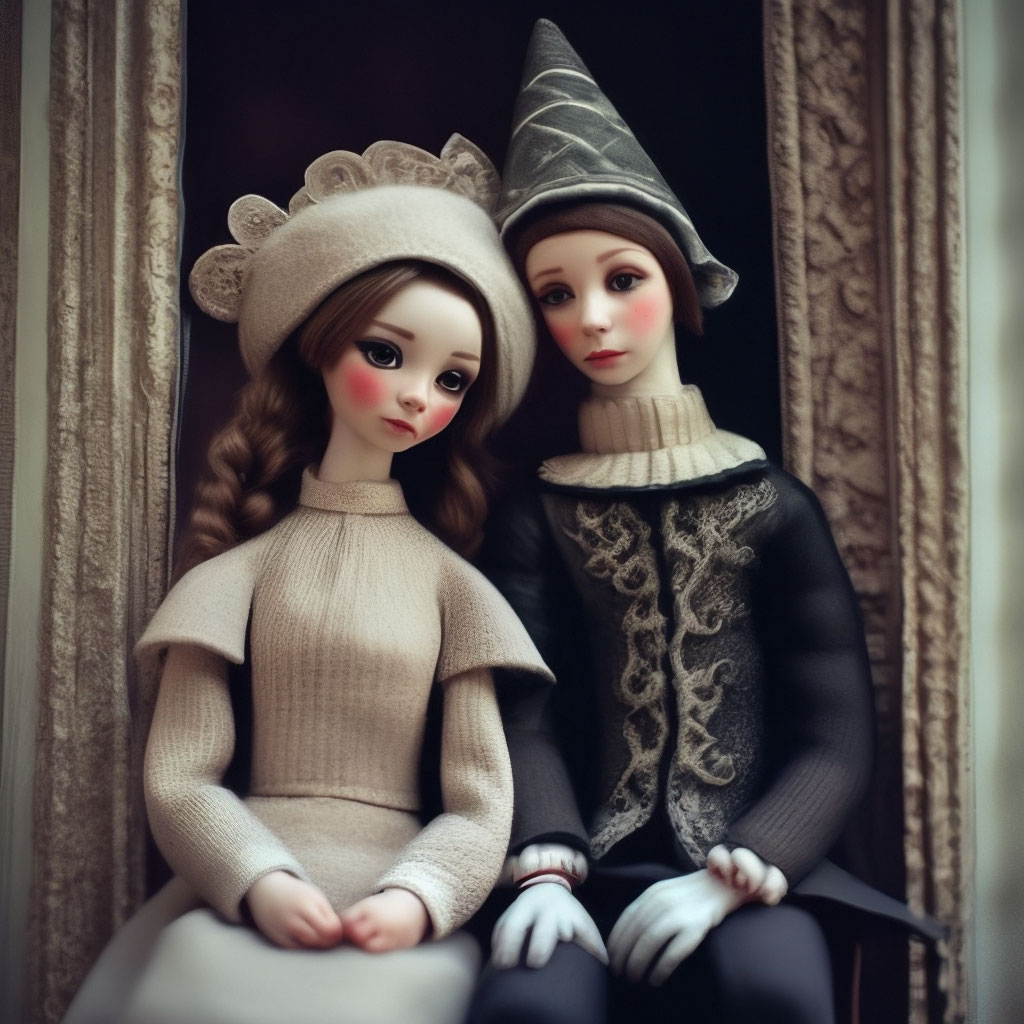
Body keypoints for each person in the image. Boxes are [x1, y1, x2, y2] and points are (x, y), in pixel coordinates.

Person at [466, 21, 942, 1024]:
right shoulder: (537, 512)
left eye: (621, 279)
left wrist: (748, 863)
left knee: (775, 991)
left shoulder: (772, 503)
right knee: (530, 1006)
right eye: (556, 294)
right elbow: (521, 708)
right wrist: (544, 857)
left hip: (746, 869)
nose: (592, 318)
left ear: (676, 282)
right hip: (581, 864)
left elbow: (834, 733)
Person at [63, 136, 553, 1024]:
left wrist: (418, 896)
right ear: (321, 349)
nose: (418, 396)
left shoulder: (454, 588)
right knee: (194, 989)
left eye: (452, 379)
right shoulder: (240, 573)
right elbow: (181, 775)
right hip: (249, 884)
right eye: (386, 353)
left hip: (397, 904)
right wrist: (257, 878)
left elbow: (482, 802)